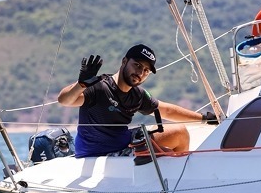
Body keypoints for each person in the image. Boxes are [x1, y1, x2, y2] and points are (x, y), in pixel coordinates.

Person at [57, 43, 217, 158]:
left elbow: (166, 110)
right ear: (124, 61)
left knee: (179, 133)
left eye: (146, 70)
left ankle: (179, 182)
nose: (140, 73)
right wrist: (81, 84)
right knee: (167, 156)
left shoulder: (137, 95)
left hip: (124, 143)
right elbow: (65, 100)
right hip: (96, 152)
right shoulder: (99, 86)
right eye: (137, 65)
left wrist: (205, 119)